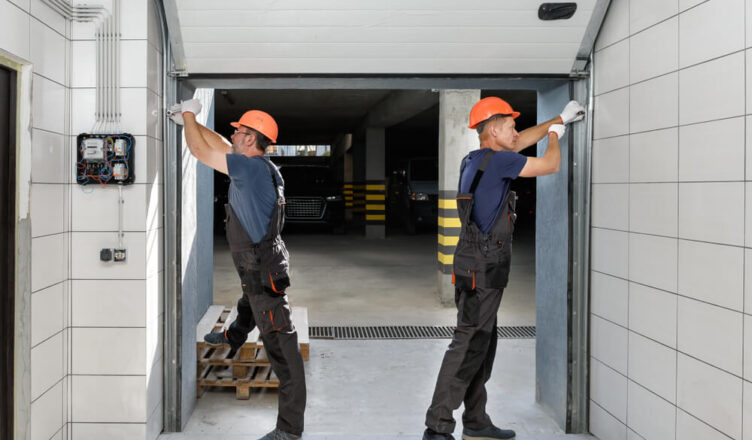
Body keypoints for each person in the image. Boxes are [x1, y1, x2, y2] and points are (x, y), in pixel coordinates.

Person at [423, 97, 586, 440]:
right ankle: (437, 427)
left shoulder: (476, 159)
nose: (516, 131)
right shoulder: (499, 163)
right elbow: (549, 165)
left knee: (482, 343)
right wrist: (555, 135)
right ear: (493, 129)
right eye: (510, 125)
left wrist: (560, 118)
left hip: (473, 264)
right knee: (468, 344)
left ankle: (476, 421)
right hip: (484, 267)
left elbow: (520, 141)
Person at [169, 99, 306, 440]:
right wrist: (190, 121)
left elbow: (201, 152)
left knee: (284, 352)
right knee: (249, 298)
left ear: (250, 138)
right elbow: (218, 145)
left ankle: (289, 431)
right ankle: (234, 334)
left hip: (261, 269)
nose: (234, 137)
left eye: (239, 132)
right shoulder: (258, 165)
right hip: (261, 264)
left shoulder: (249, 169)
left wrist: (188, 116)